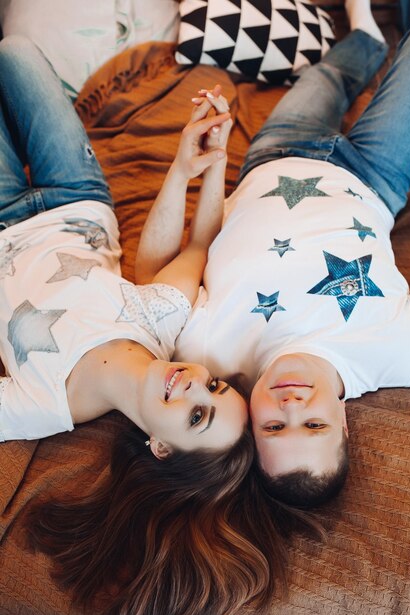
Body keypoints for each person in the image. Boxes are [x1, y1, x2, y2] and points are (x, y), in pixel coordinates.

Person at [175, 0, 410, 508]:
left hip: (274, 154)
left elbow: (156, 278)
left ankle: (369, 39)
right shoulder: (395, 354)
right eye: (312, 423)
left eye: (273, 426)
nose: (291, 403)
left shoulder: (205, 356)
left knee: (328, 73)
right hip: (373, 176)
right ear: (345, 423)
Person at [0, 36, 248, 456]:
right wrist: (203, 160)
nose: (194, 386)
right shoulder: (160, 324)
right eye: (213, 386)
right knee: (16, 51)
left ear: (162, 447)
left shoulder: (45, 405)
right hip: (76, 195)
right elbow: (199, 245)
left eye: (196, 416)